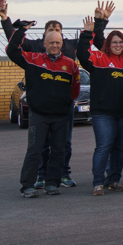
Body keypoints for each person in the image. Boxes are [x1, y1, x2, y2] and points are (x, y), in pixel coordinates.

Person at [78, 5, 123, 196]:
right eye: (114, 42)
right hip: (103, 113)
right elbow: (81, 54)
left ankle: (115, 180)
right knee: (104, 146)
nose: (117, 45)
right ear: (108, 44)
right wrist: (88, 32)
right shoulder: (98, 58)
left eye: (120, 42)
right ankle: (98, 182)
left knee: (120, 147)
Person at [7, 20, 81, 198]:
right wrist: (21, 30)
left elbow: (75, 89)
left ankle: (52, 183)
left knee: (58, 150)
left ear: (62, 43)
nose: (54, 45)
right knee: (35, 149)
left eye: (57, 43)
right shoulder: (33, 59)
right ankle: (27, 186)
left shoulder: (71, 64)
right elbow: (11, 50)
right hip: (39, 114)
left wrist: (65, 103)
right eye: (51, 43)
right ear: (44, 44)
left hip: (61, 115)